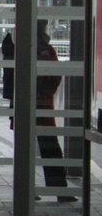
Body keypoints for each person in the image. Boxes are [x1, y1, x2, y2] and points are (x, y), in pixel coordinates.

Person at [35, 21, 74, 202]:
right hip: (42, 105)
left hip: (31, 103)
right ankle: (59, 189)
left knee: (29, 146)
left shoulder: (16, 44)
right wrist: (46, 92)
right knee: (50, 147)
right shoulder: (46, 49)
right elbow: (55, 73)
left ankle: (27, 188)